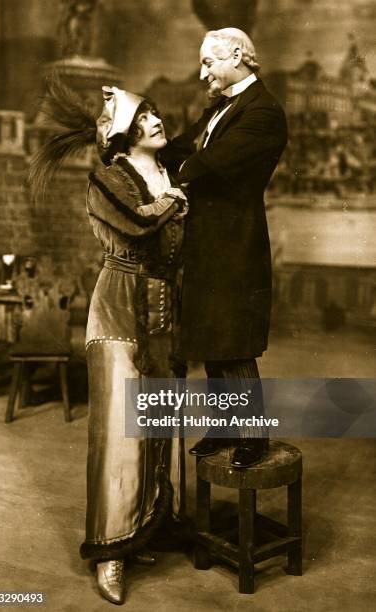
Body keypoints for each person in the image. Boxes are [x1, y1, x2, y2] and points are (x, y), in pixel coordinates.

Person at [29, 79, 187, 605]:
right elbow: (139, 226)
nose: (157, 122)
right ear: (122, 136)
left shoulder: (166, 172)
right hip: (119, 303)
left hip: (163, 308)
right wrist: (174, 203)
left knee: (157, 422)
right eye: (143, 119)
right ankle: (109, 555)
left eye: (156, 114)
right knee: (121, 435)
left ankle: (141, 529)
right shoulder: (108, 177)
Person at [162, 27, 288, 468]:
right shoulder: (221, 107)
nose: (202, 73)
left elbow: (206, 165)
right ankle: (224, 427)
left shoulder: (263, 112)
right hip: (211, 240)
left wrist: (176, 166)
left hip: (235, 243)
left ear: (236, 55)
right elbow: (180, 151)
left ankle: (253, 436)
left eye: (208, 62)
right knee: (213, 337)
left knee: (232, 341)